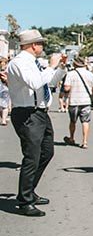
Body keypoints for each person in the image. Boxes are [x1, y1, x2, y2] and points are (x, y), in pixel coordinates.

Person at [2, 30, 63, 217]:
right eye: (41, 44)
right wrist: (52, 66)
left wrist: (59, 67)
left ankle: (29, 192)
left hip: (39, 112)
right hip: (27, 113)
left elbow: (49, 82)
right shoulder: (20, 62)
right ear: (33, 45)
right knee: (32, 157)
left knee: (46, 152)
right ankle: (25, 200)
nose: (43, 47)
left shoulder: (32, 63)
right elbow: (35, 83)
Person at [63, 56, 93, 149]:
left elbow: (66, 87)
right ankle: (85, 141)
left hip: (74, 101)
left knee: (73, 121)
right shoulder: (90, 74)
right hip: (86, 101)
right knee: (85, 121)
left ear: (75, 64)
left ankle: (72, 138)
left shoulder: (70, 74)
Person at [0, 57, 9, 126]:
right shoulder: (7, 70)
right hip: (5, 88)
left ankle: (3, 118)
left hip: (3, 88)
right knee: (5, 105)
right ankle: (3, 120)